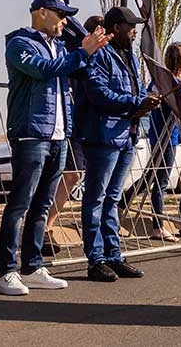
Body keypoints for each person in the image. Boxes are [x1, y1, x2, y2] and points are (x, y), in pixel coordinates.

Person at [0, 0, 110, 296]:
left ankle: (32, 267)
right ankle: (5, 271)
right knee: (20, 203)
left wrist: (92, 52)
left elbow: (75, 70)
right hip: (31, 134)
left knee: (43, 204)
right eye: (60, 14)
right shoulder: (20, 44)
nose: (64, 21)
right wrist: (81, 53)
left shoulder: (58, 46)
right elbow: (44, 70)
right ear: (41, 12)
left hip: (58, 135)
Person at [78, 6, 161, 282]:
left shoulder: (128, 56)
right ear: (116, 28)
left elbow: (132, 91)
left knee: (112, 199)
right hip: (104, 137)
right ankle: (96, 259)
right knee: (96, 199)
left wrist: (145, 102)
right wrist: (135, 103)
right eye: (130, 26)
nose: (135, 31)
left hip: (126, 135)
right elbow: (98, 92)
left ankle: (113, 255)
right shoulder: (99, 54)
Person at [121, 42, 181, 243]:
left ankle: (123, 203)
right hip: (165, 137)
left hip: (161, 135)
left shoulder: (159, 80)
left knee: (150, 177)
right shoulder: (171, 82)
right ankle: (157, 225)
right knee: (159, 180)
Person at [45, 15, 103, 254]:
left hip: (83, 124)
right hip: (69, 121)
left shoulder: (97, 58)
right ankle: (43, 227)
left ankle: (44, 226)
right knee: (64, 174)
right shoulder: (76, 54)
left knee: (73, 175)